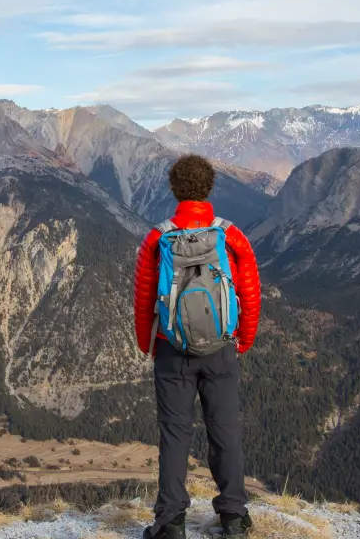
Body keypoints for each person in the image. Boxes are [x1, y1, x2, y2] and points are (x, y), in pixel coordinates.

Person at [134, 155, 262, 539]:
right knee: (224, 429)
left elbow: (143, 297)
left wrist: (148, 343)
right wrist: (244, 339)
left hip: (172, 348)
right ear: (209, 188)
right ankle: (234, 516)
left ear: (174, 189)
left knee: (175, 433)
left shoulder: (157, 238)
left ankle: (171, 522)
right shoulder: (230, 235)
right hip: (221, 347)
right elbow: (250, 292)